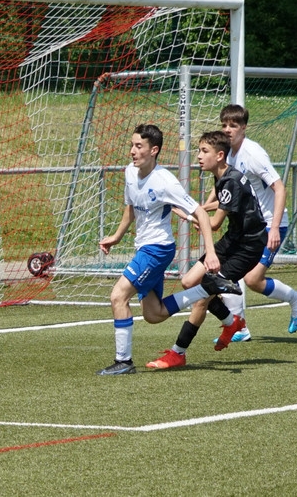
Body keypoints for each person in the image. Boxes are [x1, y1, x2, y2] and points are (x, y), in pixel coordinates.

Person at [96, 124, 239, 376]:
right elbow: (130, 207)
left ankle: (123, 361)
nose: (132, 151)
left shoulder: (165, 182)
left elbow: (200, 214)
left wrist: (210, 253)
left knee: (118, 296)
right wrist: (116, 237)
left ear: (154, 150)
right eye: (132, 145)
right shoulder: (130, 172)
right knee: (154, 314)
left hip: (157, 249)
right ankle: (207, 288)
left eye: (138, 146)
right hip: (145, 248)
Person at [146, 130, 270, 369]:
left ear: (220, 155)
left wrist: (187, 215)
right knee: (189, 282)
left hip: (248, 247)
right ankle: (231, 321)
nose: (199, 156)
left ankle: (178, 352)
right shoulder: (224, 176)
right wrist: (198, 210)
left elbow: (213, 224)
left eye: (204, 151)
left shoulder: (230, 180)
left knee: (202, 296)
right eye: (199, 151)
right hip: (233, 240)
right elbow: (222, 204)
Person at [214, 104, 297, 341]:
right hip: (248, 227)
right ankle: (240, 327)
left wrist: (274, 227)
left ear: (244, 128)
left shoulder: (253, 154)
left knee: (252, 279)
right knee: (228, 273)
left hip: (269, 224)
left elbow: (280, 188)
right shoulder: (228, 154)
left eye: (233, 125)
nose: (227, 130)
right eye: (224, 125)